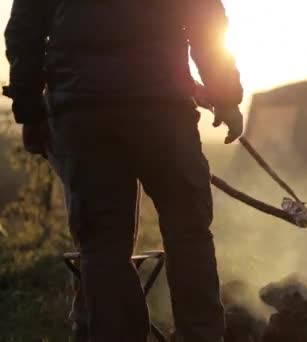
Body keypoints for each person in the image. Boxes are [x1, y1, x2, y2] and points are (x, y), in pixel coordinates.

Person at [4, 0, 244, 341]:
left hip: (84, 110)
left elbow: (25, 27)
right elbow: (204, 17)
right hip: (162, 111)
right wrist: (226, 96)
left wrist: (29, 109)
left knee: (102, 245)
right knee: (188, 232)